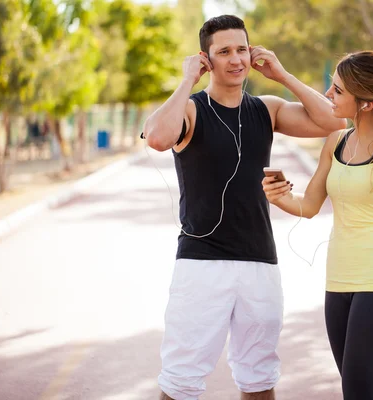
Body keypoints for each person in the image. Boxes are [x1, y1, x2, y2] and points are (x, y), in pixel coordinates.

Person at [142, 15, 346, 400]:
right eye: (223, 52)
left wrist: (283, 76)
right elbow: (156, 137)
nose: (235, 60)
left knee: (259, 379)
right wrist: (188, 80)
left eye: (241, 49)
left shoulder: (266, 110)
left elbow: (333, 119)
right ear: (206, 59)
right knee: (181, 380)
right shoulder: (191, 110)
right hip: (201, 265)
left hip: (259, 263)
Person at [262, 51, 373, 399]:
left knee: (356, 389)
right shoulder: (336, 141)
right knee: (362, 386)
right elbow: (309, 205)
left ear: (366, 103)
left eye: (337, 90)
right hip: (337, 280)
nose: (328, 95)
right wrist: (277, 196)